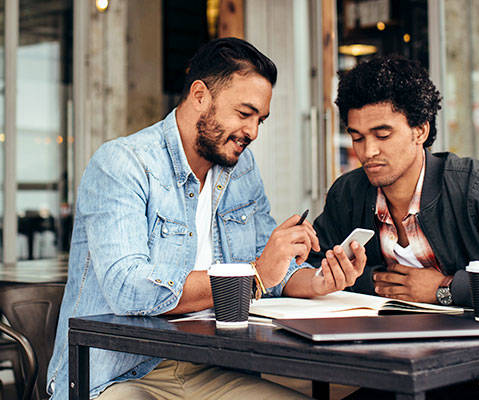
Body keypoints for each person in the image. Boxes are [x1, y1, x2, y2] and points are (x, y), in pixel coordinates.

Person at [47, 37, 366, 400]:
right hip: (121, 372)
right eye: (244, 114)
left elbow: (270, 271)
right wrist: (254, 273)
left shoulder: (240, 168)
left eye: (260, 119)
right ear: (200, 96)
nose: (253, 132)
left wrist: (318, 281)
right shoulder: (123, 165)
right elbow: (128, 290)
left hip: (216, 364)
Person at [307, 55, 479, 399]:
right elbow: (313, 268)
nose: (368, 151)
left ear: (420, 130)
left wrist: (446, 288)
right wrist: (363, 279)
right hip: (398, 375)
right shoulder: (349, 194)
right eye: (357, 136)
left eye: (382, 134)